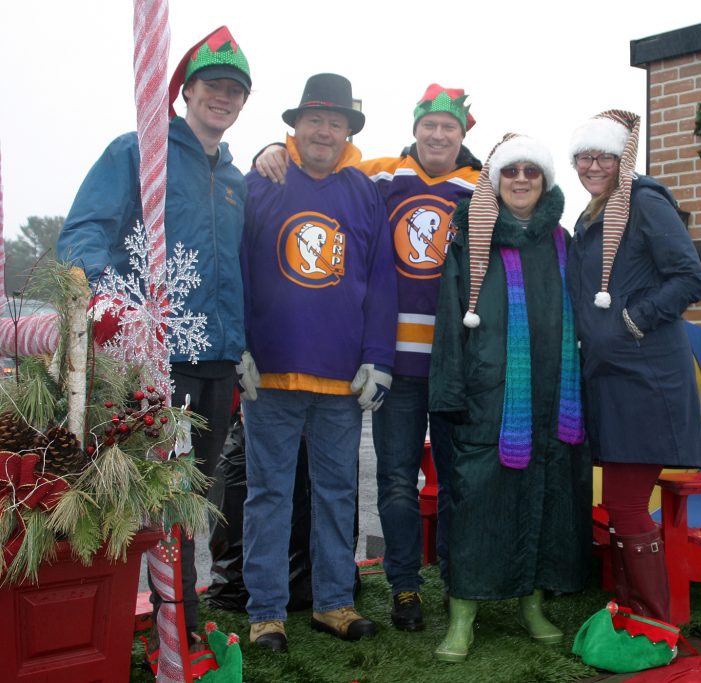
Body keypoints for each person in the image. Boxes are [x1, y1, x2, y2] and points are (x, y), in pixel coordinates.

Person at [255, 84, 481, 631]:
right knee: (380, 483)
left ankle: (449, 587)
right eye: (430, 124)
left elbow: (525, 210)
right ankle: (390, 590)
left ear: (464, 133)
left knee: (450, 482)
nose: (438, 134)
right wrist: (271, 148)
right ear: (415, 127)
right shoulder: (375, 177)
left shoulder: (482, 189)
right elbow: (247, 251)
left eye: (449, 126)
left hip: (443, 364)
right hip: (361, 367)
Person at [56, 26, 252, 651]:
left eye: (236, 91)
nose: (223, 98)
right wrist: (114, 306)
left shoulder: (237, 180)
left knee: (192, 496)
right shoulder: (139, 151)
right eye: (214, 86)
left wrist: (243, 346)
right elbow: (85, 233)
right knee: (143, 495)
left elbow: (240, 269)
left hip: (217, 361)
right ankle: (146, 620)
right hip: (154, 356)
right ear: (185, 90)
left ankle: (175, 616)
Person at [240, 73, 397, 651]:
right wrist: (239, 346)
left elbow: (381, 280)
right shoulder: (262, 183)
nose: (324, 131)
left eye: (335, 122)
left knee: (337, 492)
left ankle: (334, 601)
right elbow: (236, 266)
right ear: (295, 127)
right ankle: (266, 610)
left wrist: (379, 356)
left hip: (340, 377)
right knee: (269, 494)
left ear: (347, 131)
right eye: (314, 120)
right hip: (271, 374)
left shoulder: (362, 192)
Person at [429, 134, 591, 662]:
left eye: (532, 171)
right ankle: (462, 616)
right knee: (477, 507)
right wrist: (451, 394)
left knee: (543, 503)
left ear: (544, 181)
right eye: (510, 171)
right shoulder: (471, 239)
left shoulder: (562, 242)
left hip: (550, 403)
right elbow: (450, 325)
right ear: (495, 182)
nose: (521, 179)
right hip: (486, 400)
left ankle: (532, 603)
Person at [566, 110, 701, 623]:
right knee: (622, 507)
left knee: (625, 505)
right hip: (611, 380)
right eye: (584, 157)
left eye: (603, 155)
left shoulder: (643, 201)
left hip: (646, 378)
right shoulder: (595, 213)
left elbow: (690, 278)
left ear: (622, 157)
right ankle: (631, 615)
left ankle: (652, 623)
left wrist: (631, 320)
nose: (593, 165)